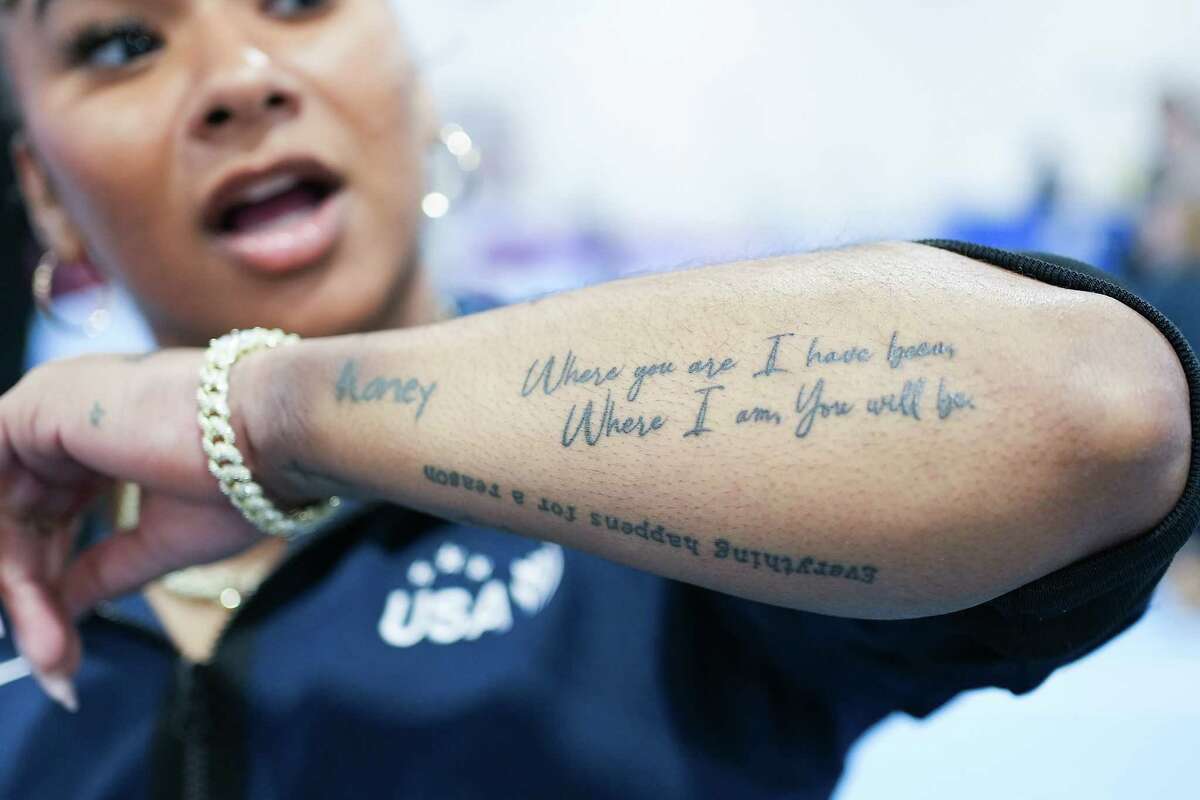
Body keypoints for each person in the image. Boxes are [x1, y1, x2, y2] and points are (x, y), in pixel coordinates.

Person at [0, 2, 1196, 799]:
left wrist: (266, 414)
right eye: (118, 44)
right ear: (43, 192)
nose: (239, 79)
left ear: (416, 92)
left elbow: (1095, 410)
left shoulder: (631, 473)